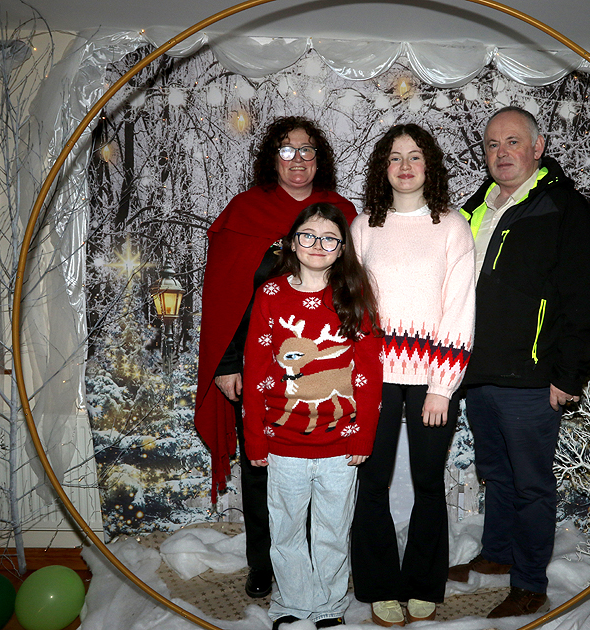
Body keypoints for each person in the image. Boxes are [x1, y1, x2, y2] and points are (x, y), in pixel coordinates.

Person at [447, 107, 590, 618]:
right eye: (493, 144)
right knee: (496, 471)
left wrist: (571, 373)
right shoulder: (478, 204)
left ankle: (530, 582)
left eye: (513, 141)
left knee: (531, 483)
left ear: (537, 148)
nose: (502, 153)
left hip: (533, 375)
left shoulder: (563, 206)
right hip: (477, 369)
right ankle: (498, 553)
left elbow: (586, 294)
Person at [194, 117, 357, 599]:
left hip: (323, 366)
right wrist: (228, 364)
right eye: (286, 150)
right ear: (272, 159)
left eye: (307, 150)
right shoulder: (244, 212)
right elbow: (223, 297)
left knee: (322, 469)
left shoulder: (340, 213)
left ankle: (318, 564)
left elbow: (355, 290)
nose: (297, 160)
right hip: (259, 364)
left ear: (319, 159)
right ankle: (263, 563)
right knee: (260, 465)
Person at [350, 124, 476, 626]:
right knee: (372, 480)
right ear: (383, 168)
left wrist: (441, 387)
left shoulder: (452, 226)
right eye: (395, 157)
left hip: (432, 379)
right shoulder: (363, 227)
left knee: (427, 480)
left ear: (430, 167)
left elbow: (459, 307)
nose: (405, 166)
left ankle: (424, 583)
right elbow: (350, 305)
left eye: (415, 156)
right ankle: (379, 584)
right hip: (373, 377)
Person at [242, 202, 383, 630]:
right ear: (291, 242)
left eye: (329, 238)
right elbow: (256, 370)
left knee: (332, 532)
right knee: (285, 530)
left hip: (340, 447)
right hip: (283, 444)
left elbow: (369, 372)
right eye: (308, 235)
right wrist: (255, 438)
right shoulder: (270, 295)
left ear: (342, 249)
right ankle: (292, 603)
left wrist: (362, 437)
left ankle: (328, 605)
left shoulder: (354, 296)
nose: (317, 245)